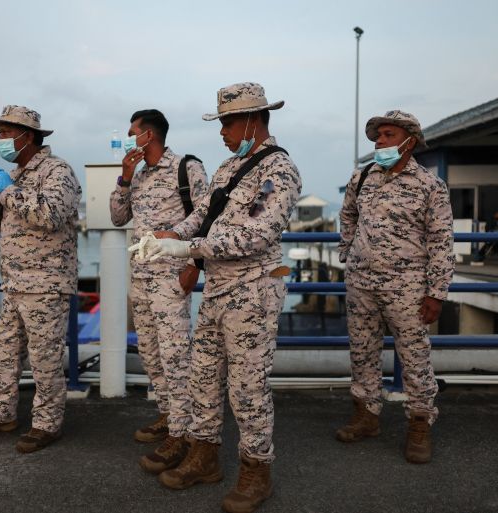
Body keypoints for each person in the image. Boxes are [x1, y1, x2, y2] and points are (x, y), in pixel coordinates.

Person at [132, 83, 301, 513]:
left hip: (253, 293)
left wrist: (185, 250)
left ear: (255, 120)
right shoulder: (227, 168)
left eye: (227, 122)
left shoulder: (278, 171)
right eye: (221, 122)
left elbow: (254, 234)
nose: (222, 131)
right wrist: (170, 235)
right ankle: (204, 456)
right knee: (203, 378)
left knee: (247, 389)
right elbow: (203, 217)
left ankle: (255, 470)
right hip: (219, 290)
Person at [0, 105, 82, 455]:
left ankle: (46, 424)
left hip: (45, 283)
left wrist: (8, 190)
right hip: (15, 281)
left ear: (26, 136)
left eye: (4, 132)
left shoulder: (58, 171)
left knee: (45, 359)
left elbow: (49, 216)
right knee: (5, 354)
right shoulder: (18, 174)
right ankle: (0, 414)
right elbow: (2, 223)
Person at [336, 110, 455, 464]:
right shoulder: (363, 178)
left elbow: (441, 241)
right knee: (363, 352)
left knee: (414, 357)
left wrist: (436, 292)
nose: (379, 142)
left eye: (387, 135)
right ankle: (366, 415)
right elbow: (348, 215)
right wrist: (348, 252)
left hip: (407, 287)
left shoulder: (429, 186)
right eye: (377, 136)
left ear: (409, 141)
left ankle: (419, 424)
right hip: (361, 283)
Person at [109, 109, 208, 474]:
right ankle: (169, 415)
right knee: (151, 353)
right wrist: (124, 178)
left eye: (132, 131)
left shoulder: (187, 168)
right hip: (141, 277)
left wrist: (194, 265)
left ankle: (184, 433)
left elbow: (206, 216)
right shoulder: (137, 176)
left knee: (175, 356)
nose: (129, 137)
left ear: (148, 135)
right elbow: (118, 218)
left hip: (171, 277)